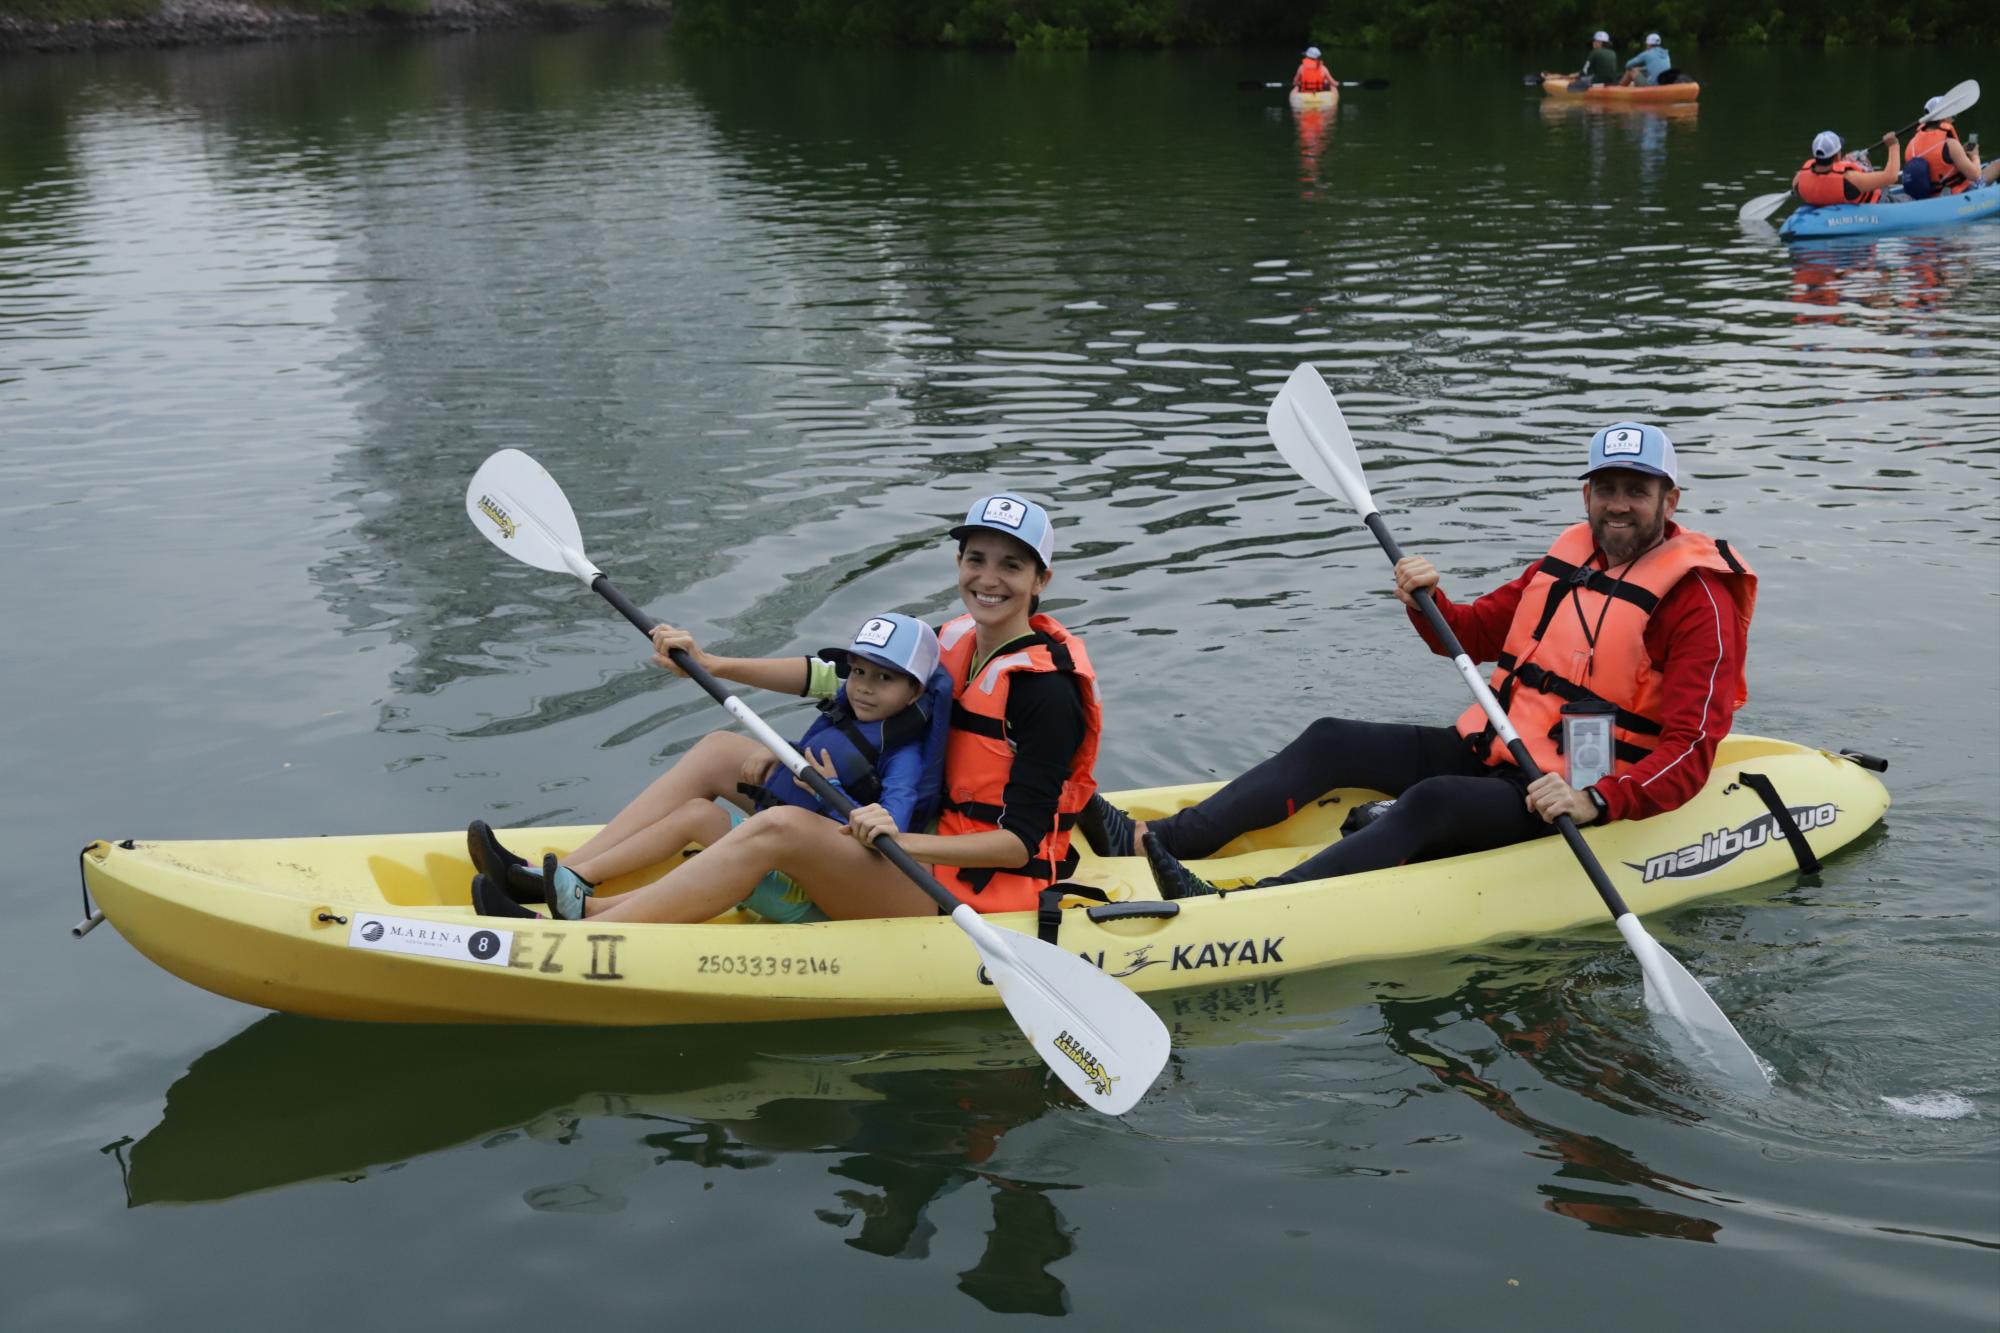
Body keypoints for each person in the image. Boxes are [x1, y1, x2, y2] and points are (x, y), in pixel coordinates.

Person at [1079, 424, 1757, 901]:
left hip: (1576, 790)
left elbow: (1693, 747)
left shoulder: (1699, 597)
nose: (1618, 504)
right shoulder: (1571, 555)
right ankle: (1149, 840)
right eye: (1606, 487)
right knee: (1332, 738)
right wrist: (1424, 598)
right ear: (1586, 495)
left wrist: (1596, 797)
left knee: (1430, 800)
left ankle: (1257, 902)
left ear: (1670, 501)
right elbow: (1462, 633)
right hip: (1506, 748)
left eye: (1637, 490)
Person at [472, 494, 1103, 924]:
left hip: (959, 885)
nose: (988, 579)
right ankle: (563, 880)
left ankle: (579, 935)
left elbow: (1020, 845)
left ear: (1040, 579)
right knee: (722, 751)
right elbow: (829, 677)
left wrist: (893, 835)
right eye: (976, 559)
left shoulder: (1044, 692)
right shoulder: (953, 639)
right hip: (907, 831)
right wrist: (713, 662)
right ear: (959, 564)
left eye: (1011, 565)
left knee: (777, 829)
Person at [469, 611, 953, 924]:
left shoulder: (904, 756)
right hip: (808, 834)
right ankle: (567, 879)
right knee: (715, 765)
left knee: (745, 830)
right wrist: (783, 750)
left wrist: (828, 790)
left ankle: (581, 926)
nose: (864, 687)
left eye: (883, 678)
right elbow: (818, 681)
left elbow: (891, 832)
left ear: (913, 693)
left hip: (844, 867)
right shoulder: (856, 698)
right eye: (859, 673)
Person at [1793, 130, 1903, 208]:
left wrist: (1847, 163)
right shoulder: (1849, 179)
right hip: (1880, 204)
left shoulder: (1799, 178)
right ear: (1837, 156)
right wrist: (1893, 145)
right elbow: (1891, 176)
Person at [1902, 97, 1983, 198]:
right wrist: (1975, 156)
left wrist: (1960, 152)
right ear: (1944, 118)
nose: (1953, 120)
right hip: (1955, 196)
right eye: (1952, 115)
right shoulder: (1950, 144)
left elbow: (1934, 157)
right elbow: (1975, 175)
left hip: (1928, 197)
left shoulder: (1911, 145)